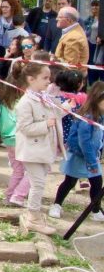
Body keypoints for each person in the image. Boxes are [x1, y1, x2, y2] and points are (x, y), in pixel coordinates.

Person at [15, 62, 65, 235]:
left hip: (43, 149)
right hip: (32, 151)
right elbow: (25, 128)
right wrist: (45, 124)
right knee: (38, 184)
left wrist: (65, 110)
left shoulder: (44, 97)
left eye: (48, 78)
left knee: (39, 183)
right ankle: (33, 218)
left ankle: (34, 214)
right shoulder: (25, 103)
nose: (48, 81)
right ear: (31, 79)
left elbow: (54, 115)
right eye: (44, 78)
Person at [49, 82, 104, 222]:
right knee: (70, 181)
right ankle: (56, 205)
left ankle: (95, 209)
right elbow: (84, 142)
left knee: (97, 183)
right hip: (80, 155)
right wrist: (91, 161)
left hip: (92, 156)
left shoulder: (101, 115)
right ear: (98, 99)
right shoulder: (87, 117)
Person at [0, 72, 29, 207]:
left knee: (18, 170)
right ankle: (18, 195)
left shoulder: (4, 102)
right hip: (20, 139)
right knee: (32, 171)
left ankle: (10, 195)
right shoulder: (23, 103)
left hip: (8, 139)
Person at [55, 6, 89, 70]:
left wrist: (54, 59)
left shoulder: (73, 38)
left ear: (69, 20)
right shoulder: (76, 30)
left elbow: (70, 66)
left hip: (69, 78)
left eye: (59, 17)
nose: (56, 19)